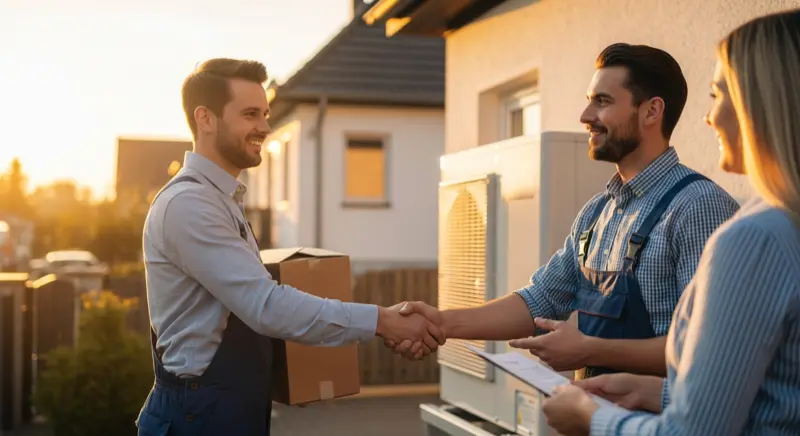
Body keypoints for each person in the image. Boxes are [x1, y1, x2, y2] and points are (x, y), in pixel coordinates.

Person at [392, 43, 740, 380]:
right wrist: (440, 322)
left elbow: (711, 350)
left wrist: (588, 350)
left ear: (651, 111)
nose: (586, 116)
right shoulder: (597, 213)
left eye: (602, 102)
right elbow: (541, 298)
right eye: (589, 101)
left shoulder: (698, 207)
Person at [134, 58, 444, 436]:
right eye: (250, 114)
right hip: (196, 417)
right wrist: (382, 321)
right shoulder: (189, 205)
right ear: (205, 119)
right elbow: (266, 306)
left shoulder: (222, 200)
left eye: (264, 114)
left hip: (224, 409)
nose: (264, 127)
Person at [540, 8, 800, 435]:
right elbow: (771, 395)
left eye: (719, 96)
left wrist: (591, 417)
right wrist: (650, 392)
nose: (708, 117)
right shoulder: (778, 225)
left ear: (761, 102)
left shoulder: (754, 238)